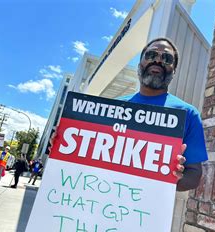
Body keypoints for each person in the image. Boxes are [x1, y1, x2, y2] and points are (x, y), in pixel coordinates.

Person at [50, 38, 206, 191]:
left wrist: (175, 178)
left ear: (174, 70)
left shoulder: (188, 114)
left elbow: (194, 175)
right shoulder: (111, 108)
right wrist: (61, 145)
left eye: (166, 58)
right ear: (140, 65)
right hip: (97, 203)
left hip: (147, 211)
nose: (157, 61)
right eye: (151, 55)